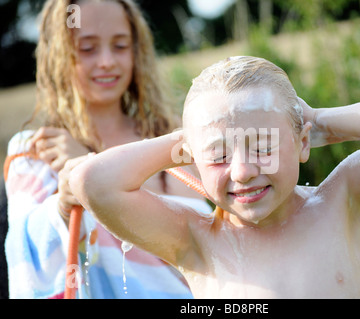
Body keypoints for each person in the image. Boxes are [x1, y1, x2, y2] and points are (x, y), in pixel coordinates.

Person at [70, 56, 360, 298]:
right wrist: (187, 140)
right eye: (218, 155)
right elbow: (94, 182)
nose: (244, 171)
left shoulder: (342, 202)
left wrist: (317, 121)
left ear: (302, 143)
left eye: (264, 147)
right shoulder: (196, 241)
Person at [3, 0, 211, 299]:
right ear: (57, 54)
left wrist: (96, 171)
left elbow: (207, 240)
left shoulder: (172, 140)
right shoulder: (35, 152)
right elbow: (25, 251)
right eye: (87, 48)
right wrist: (66, 200)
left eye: (121, 46)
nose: (106, 61)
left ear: (136, 51)